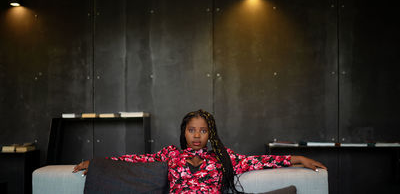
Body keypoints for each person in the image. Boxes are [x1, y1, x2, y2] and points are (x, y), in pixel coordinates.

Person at [73, 109, 327, 193]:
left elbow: (257, 160)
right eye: (192, 130)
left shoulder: (222, 157)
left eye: (203, 131)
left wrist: (296, 157)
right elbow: (137, 159)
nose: (197, 135)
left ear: (210, 134)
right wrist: (97, 163)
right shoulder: (171, 154)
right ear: (184, 132)